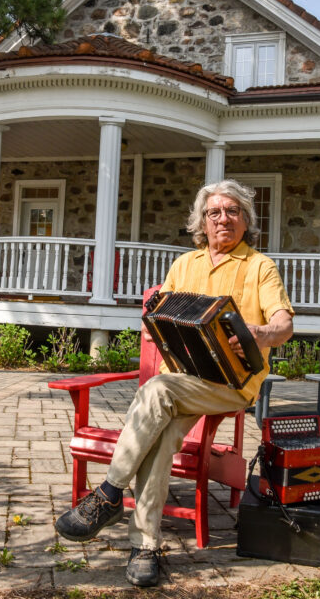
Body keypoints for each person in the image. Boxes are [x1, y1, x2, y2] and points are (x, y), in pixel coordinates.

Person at [54, 179, 294, 586]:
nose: (223, 220)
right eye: (214, 213)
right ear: (202, 221)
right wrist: (157, 323)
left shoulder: (260, 266)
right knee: (161, 437)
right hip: (182, 379)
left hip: (230, 382)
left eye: (232, 211)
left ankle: (109, 493)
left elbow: (284, 324)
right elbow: (159, 321)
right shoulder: (184, 265)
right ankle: (145, 546)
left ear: (246, 220)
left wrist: (260, 333)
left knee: (157, 389)